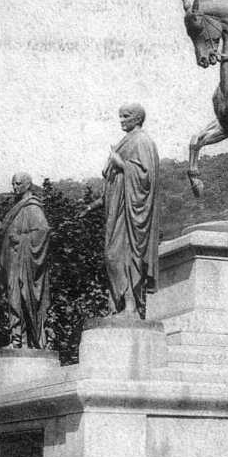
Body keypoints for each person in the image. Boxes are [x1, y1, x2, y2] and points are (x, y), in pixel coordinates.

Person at [89, 104, 160, 317]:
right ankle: (117, 305)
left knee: (119, 256)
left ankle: (130, 306)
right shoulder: (126, 140)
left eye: (126, 116)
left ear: (137, 118)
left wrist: (121, 164)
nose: (121, 120)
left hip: (130, 215)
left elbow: (146, 178)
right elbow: (113, 183)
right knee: (111, 256)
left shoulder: (142, 141)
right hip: (115, 211)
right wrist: (94, 204)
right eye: (120, 116)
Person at [0, 172, 51, 349]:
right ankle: (17, 339)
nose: (14, 187)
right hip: (14, 263)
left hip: (26, 264)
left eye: (18, 184)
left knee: (24, 299)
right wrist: (1, 230)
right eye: (13, 184)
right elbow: (8, 234)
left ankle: (25, 340)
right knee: (13, 300)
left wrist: (21, 240)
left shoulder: (33, 208)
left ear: (27, 185)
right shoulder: (16, 209)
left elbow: (43, 232)